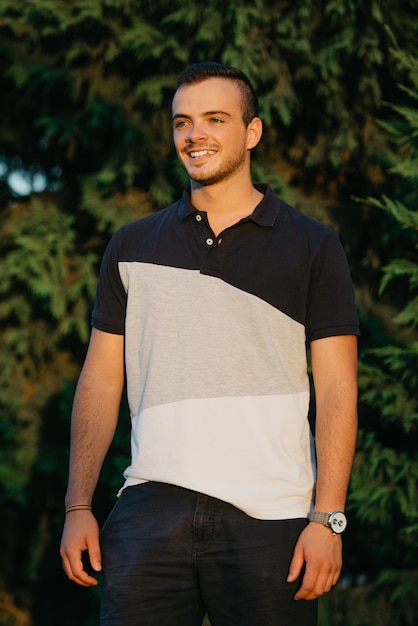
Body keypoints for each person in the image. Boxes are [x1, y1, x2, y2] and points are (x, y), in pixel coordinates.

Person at [60, 61, 359, 626]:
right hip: (149, 511)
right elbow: (100, 378)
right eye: (182, 122)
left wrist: (328, 519)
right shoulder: (131, 244)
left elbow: (339, 388)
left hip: (271, 521)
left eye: (215, 119)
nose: (194, 135)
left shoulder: (313, 246)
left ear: (252, 133)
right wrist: (79, 504)